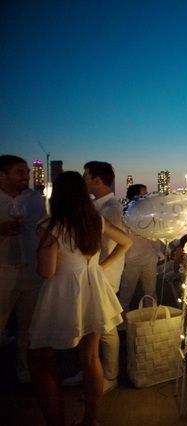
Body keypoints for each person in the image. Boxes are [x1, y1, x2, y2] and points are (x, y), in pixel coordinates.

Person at [29, 171, 131, 426]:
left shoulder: (51, 226)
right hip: (92, 287)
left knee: (42, 359)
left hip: (62, 293)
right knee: (90, 356)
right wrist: (100, 266)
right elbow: (126, 242)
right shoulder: (94, 220)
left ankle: (57, 420)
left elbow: (47, 271)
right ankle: (90, 420)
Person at [0, 155, 45, 384]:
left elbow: (47, 229)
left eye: (27, 172)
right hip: (3, 272)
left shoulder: (36, 199)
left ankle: (25, 372)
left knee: (28, 327)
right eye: (19, 172)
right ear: (2, 175)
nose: (26, 177)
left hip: (31, 271)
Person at [83, 161, 126, 392]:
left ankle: (110, 375)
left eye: (86, 176)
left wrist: (100, 270)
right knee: (92, 323)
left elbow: (115, 246)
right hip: (94, 273)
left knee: (107, 326)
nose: (84, 180)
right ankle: (91, 368)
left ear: (97, 180)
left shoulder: (111, 209)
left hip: (105, 276)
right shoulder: (96, 206)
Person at [118, 184, 164, 314]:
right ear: (135, 196)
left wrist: (158, 253)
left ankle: (150, 318)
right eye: (143, 195)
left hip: (149, 258)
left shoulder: (150, 213)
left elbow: (154, 236)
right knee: (126, 292)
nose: (146, 197)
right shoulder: (124, 213)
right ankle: (122, 322)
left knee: (150, 291)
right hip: (130, 259)